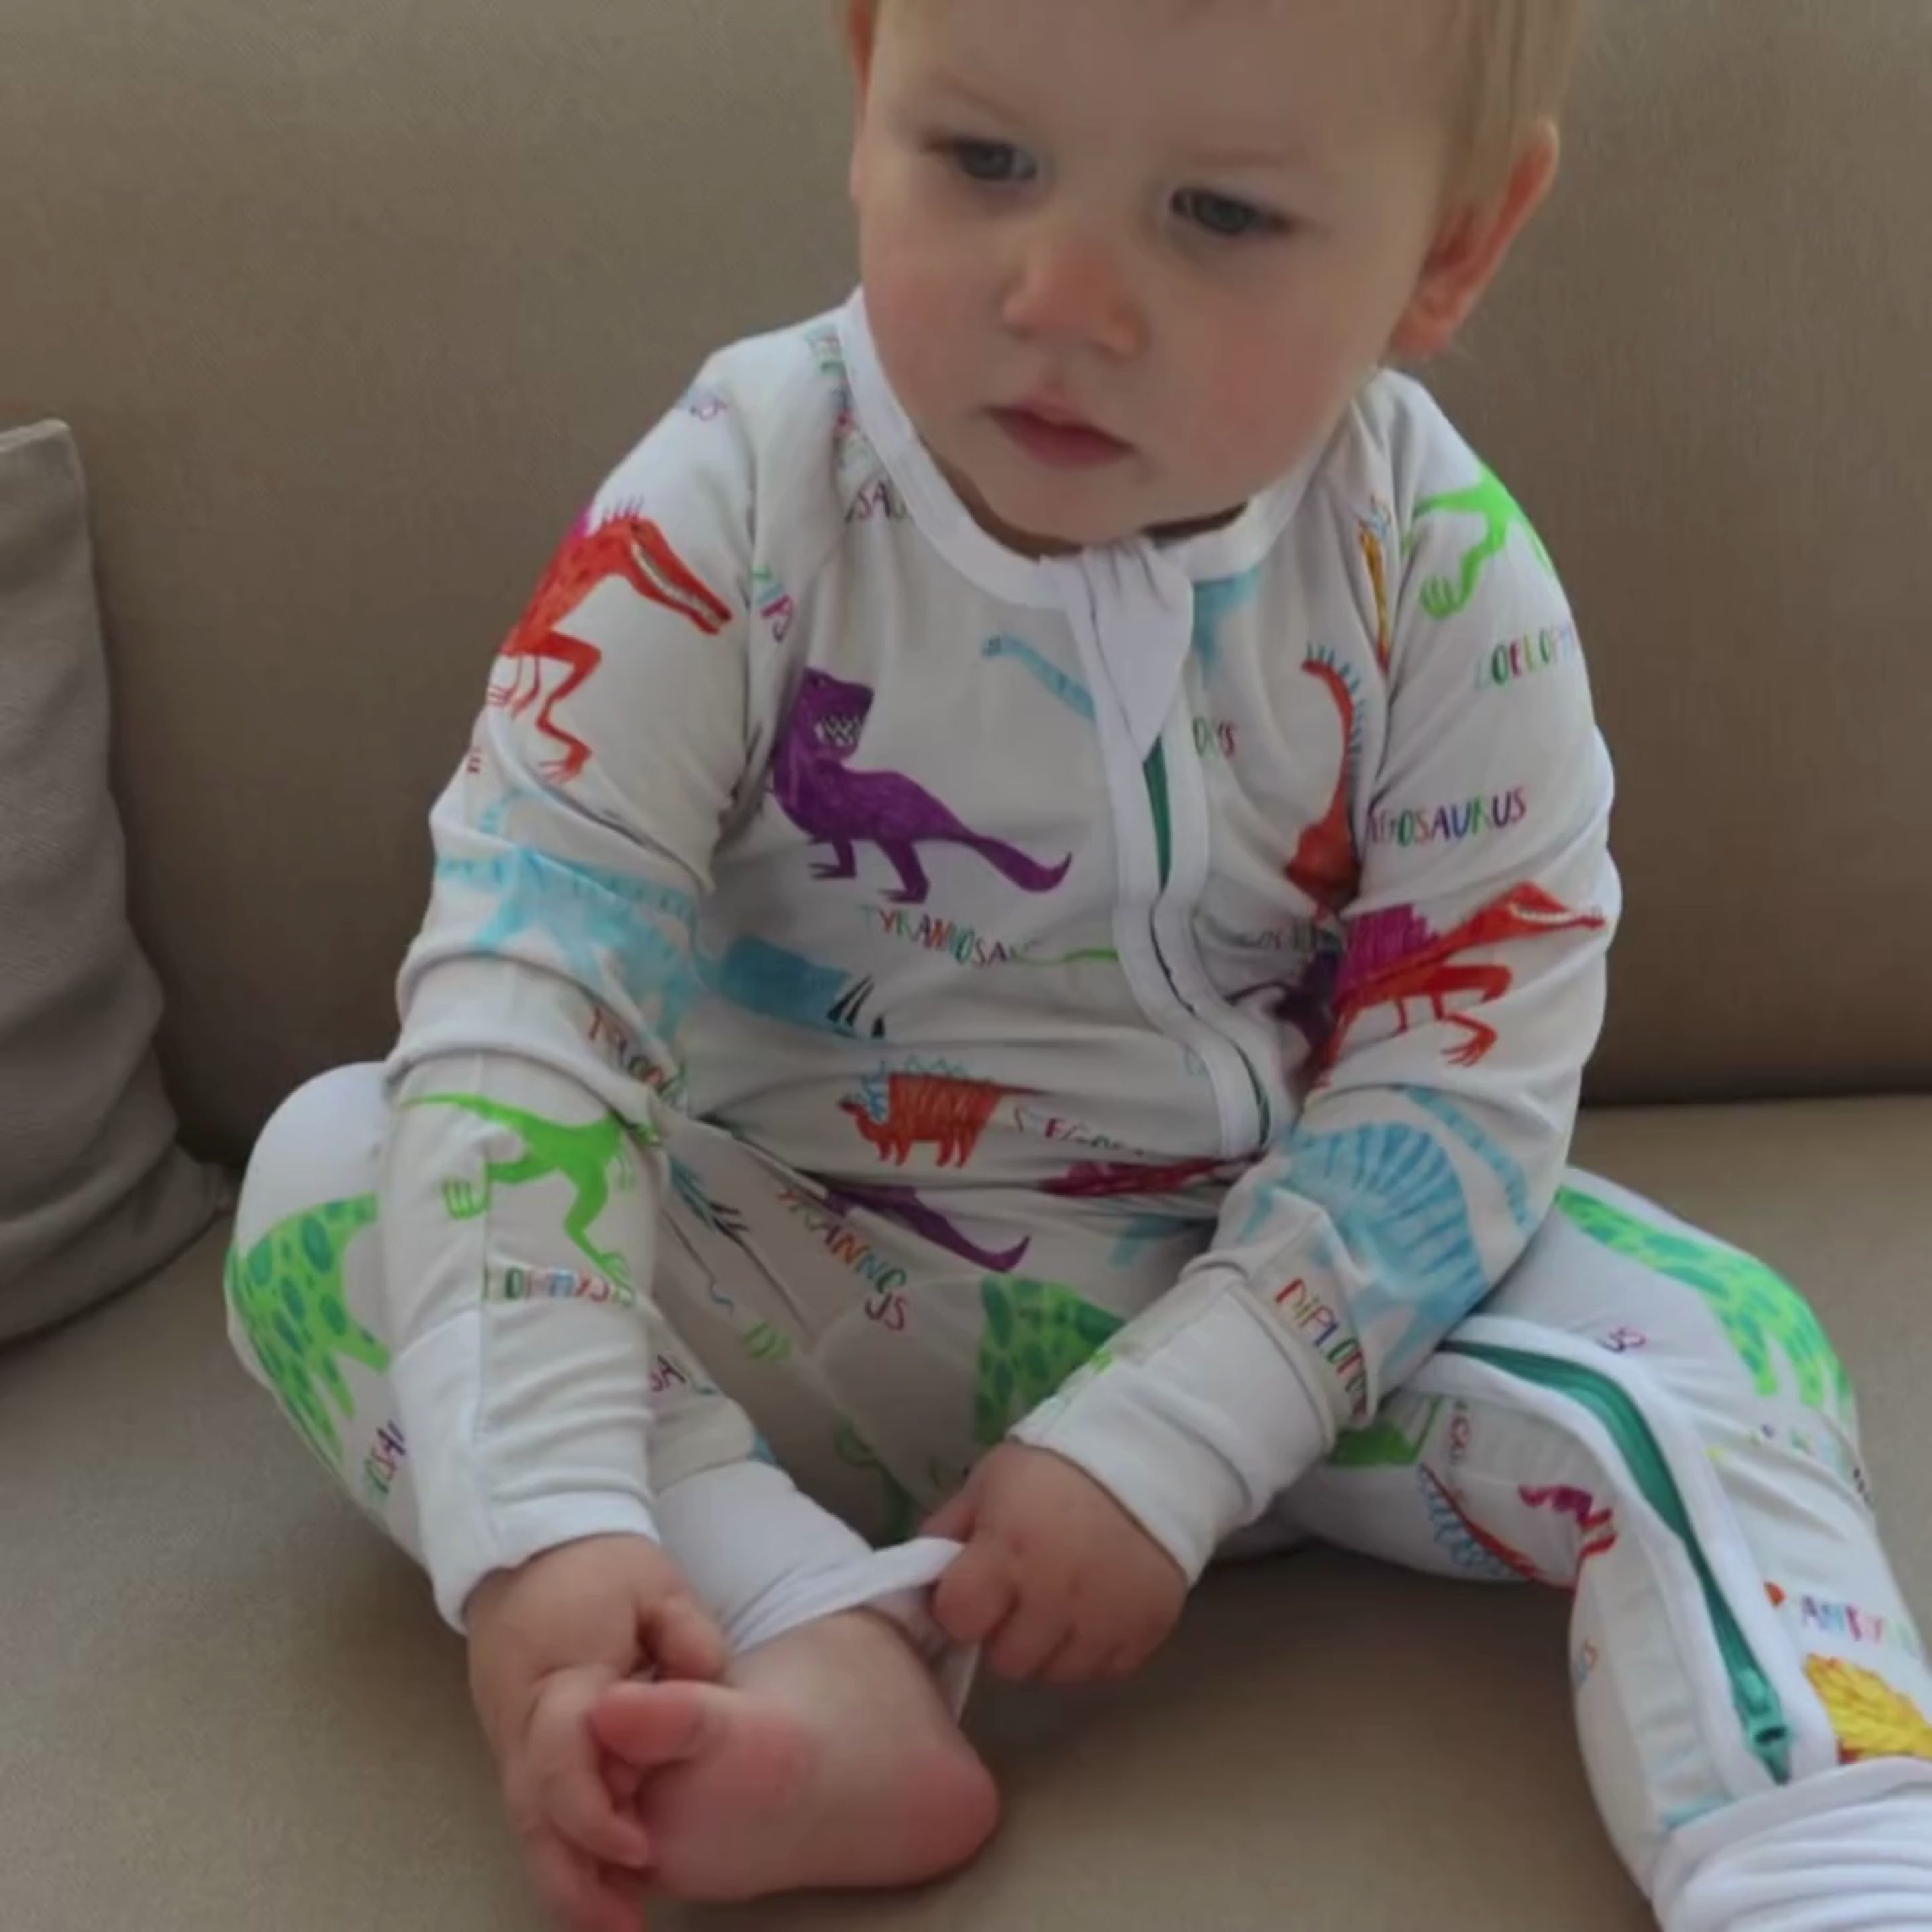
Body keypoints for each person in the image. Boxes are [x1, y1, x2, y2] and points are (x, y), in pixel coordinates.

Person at [226, 3, 1932, 1927]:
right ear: (869, 81)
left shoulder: (1439, 569)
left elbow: (1469, 1060)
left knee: (1725, 1348)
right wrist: (546, 1519)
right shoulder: (734, 495)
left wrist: (1182, 1431)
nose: (1061, 298)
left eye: (1219, 213)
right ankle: (799, 1633)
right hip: (774, 1274)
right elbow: (533, 985)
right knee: (327, 1178)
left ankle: (1832, 1855)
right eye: (986, 161)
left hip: (1284, 1306)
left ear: (1452, 249)